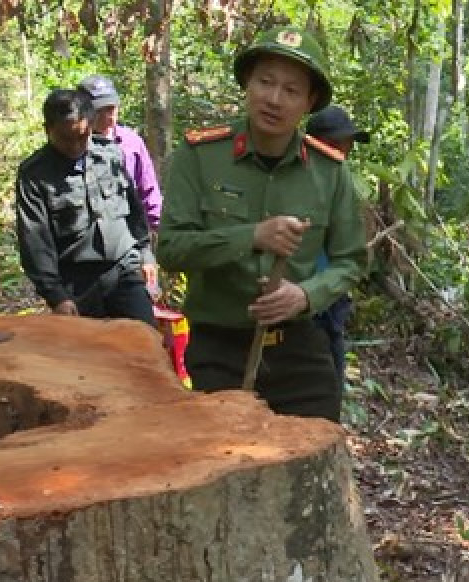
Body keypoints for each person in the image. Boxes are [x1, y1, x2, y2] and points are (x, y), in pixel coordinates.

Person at [156, 26, 367, 422]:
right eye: (265, 82)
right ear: (246, 85)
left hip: (298, 349)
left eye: (291, 90)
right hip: (219, 348)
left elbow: (351, 260)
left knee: (313, 458)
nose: (274, 99)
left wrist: (305, 295)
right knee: (221, 464)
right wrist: (251, 236)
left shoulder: (328, 171)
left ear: (309, 103)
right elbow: (170, 248)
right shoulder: (201, 155)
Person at [15, 88, 157, 326]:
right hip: (76, 283)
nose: (75, 146)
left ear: (91, 126)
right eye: (65, 139)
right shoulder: (35, 174)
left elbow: (134, 210)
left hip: (123, 268)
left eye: (82, 136)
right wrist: (56, 295)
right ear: (48, 130)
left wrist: (146, 254)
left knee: (145, 342)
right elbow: (35, 242)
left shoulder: (110, 154)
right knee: (86, 358)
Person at [305, 104, 371, 388]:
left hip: (332, 298)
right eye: (335, 147)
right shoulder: (295, 181)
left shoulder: (341, 185)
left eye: (346, 150)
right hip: (302, 301)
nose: (341, 156)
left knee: (332, 376)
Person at [76, 75, 163, 230]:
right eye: (101, 110)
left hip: (130, 237)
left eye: (112, 109)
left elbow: (149, 193)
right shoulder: (73, 145)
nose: (109, 116)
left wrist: (161, 231)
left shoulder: (131, 143)